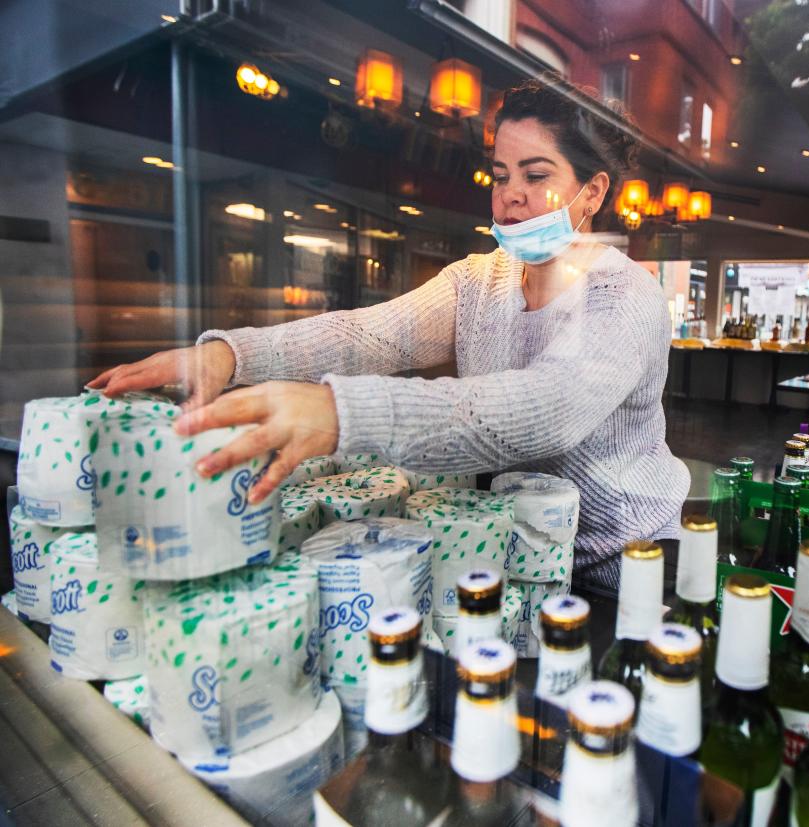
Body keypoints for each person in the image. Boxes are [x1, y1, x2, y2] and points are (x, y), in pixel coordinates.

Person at [88, 78, 690, 592]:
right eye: (500, 174)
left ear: (592, 191)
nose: (509, 196)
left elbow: (543, 408)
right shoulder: (479, 281)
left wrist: (338, 411)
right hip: (519, 550)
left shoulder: (624, 296)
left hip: (622, 565)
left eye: (536, 175)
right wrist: (231, 354)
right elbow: (367, 336)